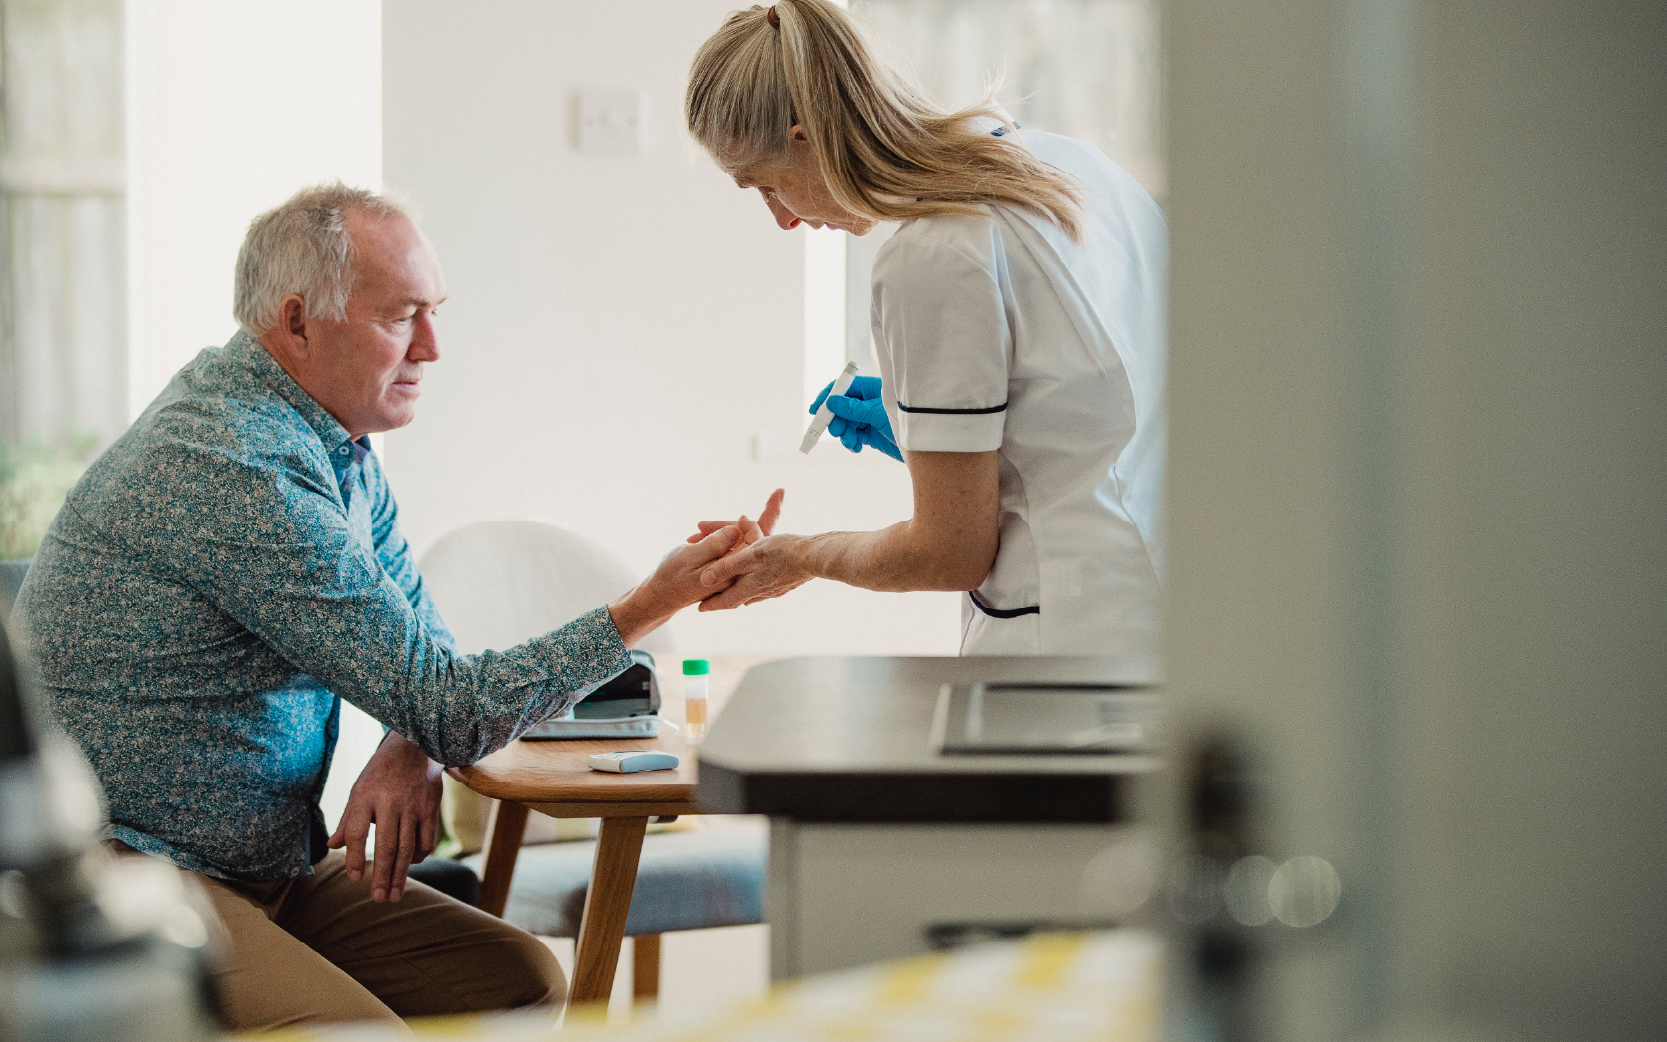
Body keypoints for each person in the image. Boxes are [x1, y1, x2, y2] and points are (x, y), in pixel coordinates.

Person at [11, 184, 745, 1031]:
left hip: (267, 864)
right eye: (402, 317)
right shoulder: (235, 466)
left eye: (433, 313)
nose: (431, 348)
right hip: (137, 871)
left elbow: (423, 650)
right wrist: (653, 602)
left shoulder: (339, 447)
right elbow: (455, 704)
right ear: (296, 324)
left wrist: (410, 741)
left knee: (520, 983)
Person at [683, 0, 1167, 657]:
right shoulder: (1075, 169)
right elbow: (1095, 408)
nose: (783, 220)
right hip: (1166, 612)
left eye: (765, 187)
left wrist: (797, 556)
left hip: (1066, 653)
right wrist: (938, 433)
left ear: (805, 135)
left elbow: (947, 556)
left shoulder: (930, 253)